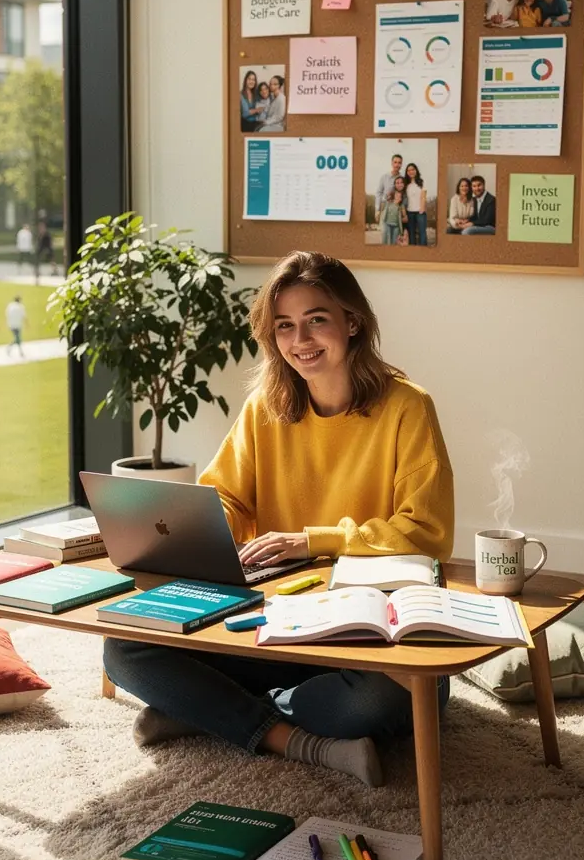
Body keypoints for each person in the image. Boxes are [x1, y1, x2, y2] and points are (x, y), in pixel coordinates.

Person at [103, 252, 454, 786]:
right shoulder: (266, 405)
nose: (301, 340)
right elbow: (225, 496)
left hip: (364, 634)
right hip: (277, 621)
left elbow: (426, 532)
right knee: (126, 648)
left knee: (388, 703)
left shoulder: (407, 406)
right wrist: (199, 531)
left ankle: (206, 712)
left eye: (317, 319)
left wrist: (314, 540)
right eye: (285, 326)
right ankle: (289, 737)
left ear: (352, 322)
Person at [403, 162, 427, 246]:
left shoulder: (422, 182)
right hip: (409, 212)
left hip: (420, 212)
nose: (411, 171)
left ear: (416, 170)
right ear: (406, 172)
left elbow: (423, 197)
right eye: (408, 170)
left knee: (422, 233)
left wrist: (422, 209)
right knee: (411, 235)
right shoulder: (405, 184)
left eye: (412, 169)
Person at [374, 153, 403, 221]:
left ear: (401, 164)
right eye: (395, 162)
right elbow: (379, 193)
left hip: (398, 209)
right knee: (385, 231)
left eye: (399, 163)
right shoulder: (384, 177)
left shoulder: (403, 179)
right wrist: (377, 209)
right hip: (385, 208)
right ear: (391, 163)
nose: (397, 165)